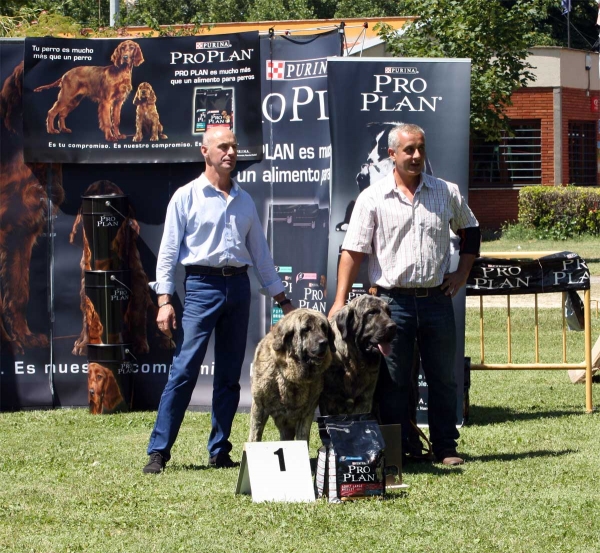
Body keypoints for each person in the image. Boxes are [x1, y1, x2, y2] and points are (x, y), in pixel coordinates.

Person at [143, 127, 294, 474]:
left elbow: (261, 254)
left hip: (238, 287)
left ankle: (219, 450)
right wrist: (164, 300)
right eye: (222, 146)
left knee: (229, 375)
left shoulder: (245, 200)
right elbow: (167, 253)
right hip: (200, 286)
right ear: (205, 152)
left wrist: (283, 300)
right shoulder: (185, 197)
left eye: (234, 146)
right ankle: (159, 452)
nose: (230, 152)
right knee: (184, 370)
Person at [329, 123, 480, 466]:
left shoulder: (446, 192)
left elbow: (471, 231)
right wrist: (339, 300)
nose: (415, 156)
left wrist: (462, 273)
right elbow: (353, 251)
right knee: (393, 381)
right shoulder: (372, 197)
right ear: (392, 154)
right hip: (391, 304)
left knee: (443, 377)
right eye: (408, 150)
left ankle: (445, 448)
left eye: (420, 149)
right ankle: (398, 450)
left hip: (437, 301)